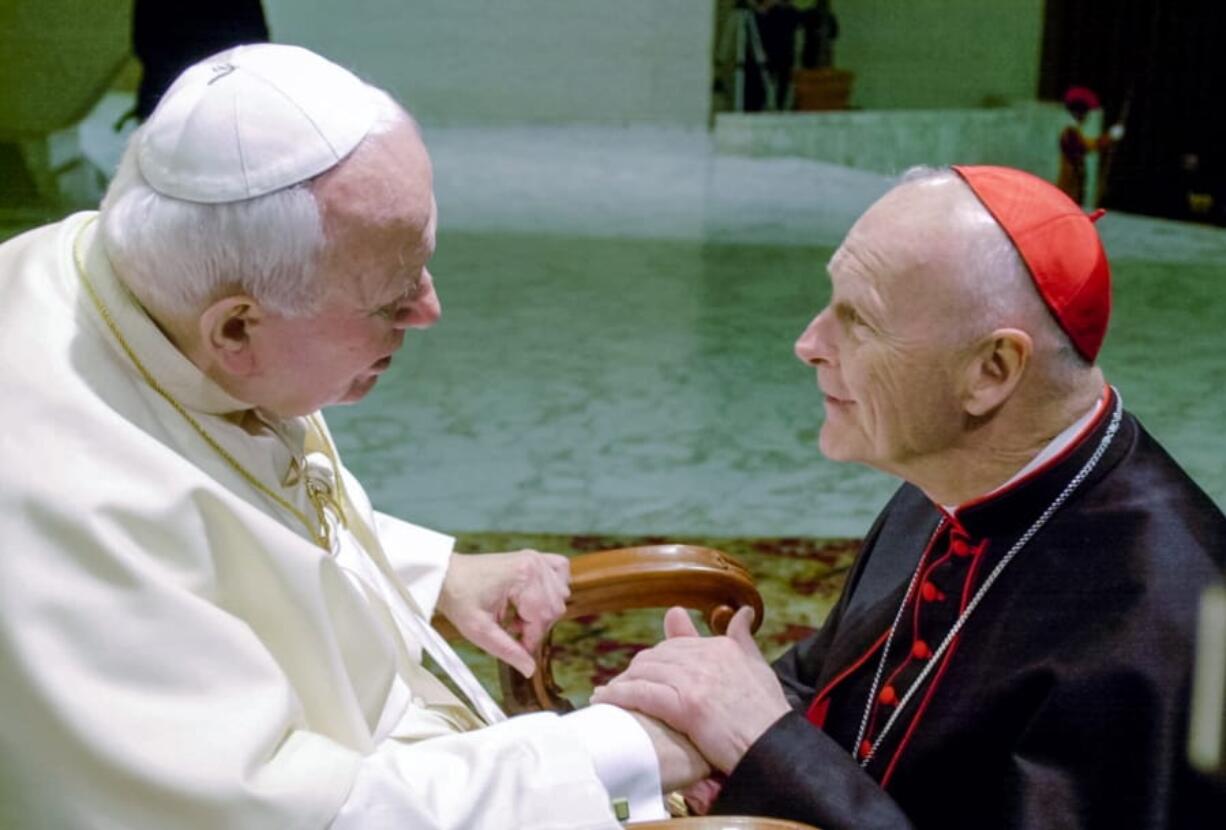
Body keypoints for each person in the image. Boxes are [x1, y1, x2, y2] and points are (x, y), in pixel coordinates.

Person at [0, 44, 707, 828]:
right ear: (236, 327)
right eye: (388, 300)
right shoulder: (57, 511)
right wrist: (618, 749)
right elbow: (283, 813)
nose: (429, 310)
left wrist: (431, 577)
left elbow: (230, 500)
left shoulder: (125, 276)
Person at [594, 165, 1226, 828]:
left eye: (858, 320)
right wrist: (700, 720)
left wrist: (764, 748)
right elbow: (827, 681)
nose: (808, 344)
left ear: (992, 371)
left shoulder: (1160, 622)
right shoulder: (957, 466)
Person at [1057, 86, 1124, 207]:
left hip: (1074, 184)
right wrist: (1110, 137)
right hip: (1069, 185)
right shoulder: (1070, 132)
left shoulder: (1074, 130)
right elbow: (1087, 146)